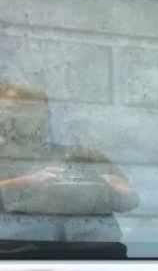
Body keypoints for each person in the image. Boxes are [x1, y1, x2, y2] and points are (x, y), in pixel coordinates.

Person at [0, 81, 138, 258]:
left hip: (97, 258)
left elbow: (129, 200)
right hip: (15, 260)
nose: (32, 119)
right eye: (16, 111)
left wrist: (93, 183)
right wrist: (29, 182)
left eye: (38, 111)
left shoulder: (80, 155)